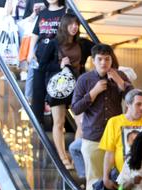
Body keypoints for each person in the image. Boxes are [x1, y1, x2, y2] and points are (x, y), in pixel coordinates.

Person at [71, 43, 133, 190]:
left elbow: (134, 99)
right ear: (93, 60)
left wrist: (120, 82)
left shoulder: (121, 76)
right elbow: (75, 108)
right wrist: (93, 92)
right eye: (100, 59)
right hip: (93, 138)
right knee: (94, 181)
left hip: (117, 139)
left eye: (107, 59)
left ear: (112, 60)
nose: (104, 63)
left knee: (119, 179)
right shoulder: (84, 80)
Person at [38, 13, 94, 169]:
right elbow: (42, 66)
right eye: (71, 24)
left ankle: (75, 154)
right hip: (59, 88)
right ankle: (63, 158)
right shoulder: (54, 44)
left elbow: (100, 49)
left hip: (78, 87)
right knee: (59, 122)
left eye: (76, 24)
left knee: (82, 123)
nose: (74, 27)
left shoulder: (82, 44)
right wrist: (59, 66)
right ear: (64, 25)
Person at [27, 0, 65, 122]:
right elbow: (35, 34)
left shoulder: (65, 11)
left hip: (56, 58)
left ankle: (57, 128)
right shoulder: (43, 12)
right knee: (38, 94)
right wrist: (30, 52)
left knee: (55, 94)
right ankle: (38, 129)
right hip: (40, 57)